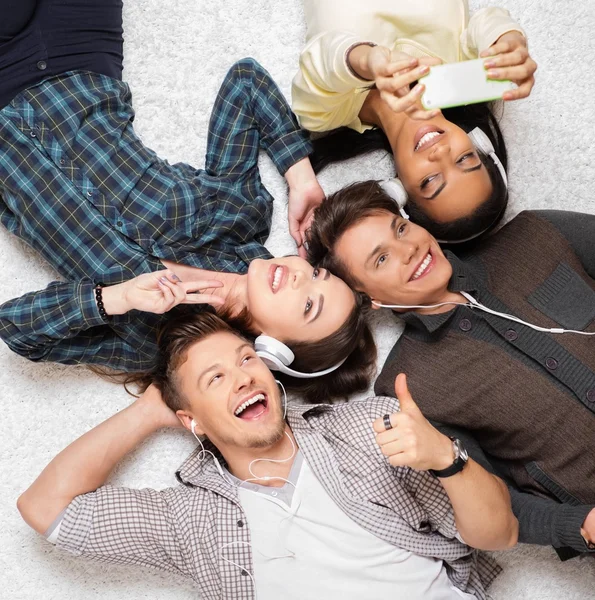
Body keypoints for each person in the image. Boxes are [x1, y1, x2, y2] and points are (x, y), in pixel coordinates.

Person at [0, 0, 375, 401]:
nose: (301, 278)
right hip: (76, 59)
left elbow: (18, 329)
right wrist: (300, 177)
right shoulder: (241, 213)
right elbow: (245, 82)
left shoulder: (150, 341)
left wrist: (116, 298)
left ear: (274, 349)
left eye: (307, 308)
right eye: (317, 276)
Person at [17, 312, 518, 599]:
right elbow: (45, 509)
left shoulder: (367, 429)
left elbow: (501, 535)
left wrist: (446, 460)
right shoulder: (191, 519)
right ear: (191, 421)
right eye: (215, 379)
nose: (242, 377)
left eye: (246, 360)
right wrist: (150, 409)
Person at [306, 180, 595, 559]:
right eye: (381, 259)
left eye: (401, 229)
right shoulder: (408, 386)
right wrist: (577, 526)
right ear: (369, 299)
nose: (408, 250)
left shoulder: (535, 233)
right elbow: (498, 506)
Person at [292, 0, 537, 242]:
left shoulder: (323, 115)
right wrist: (507, 41)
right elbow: (484, 24)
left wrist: (367, 61)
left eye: (430, 181)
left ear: (399, 189)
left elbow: (320, 59)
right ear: (477, 142)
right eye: (464, 159)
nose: (441, 153)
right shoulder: (455, 72)